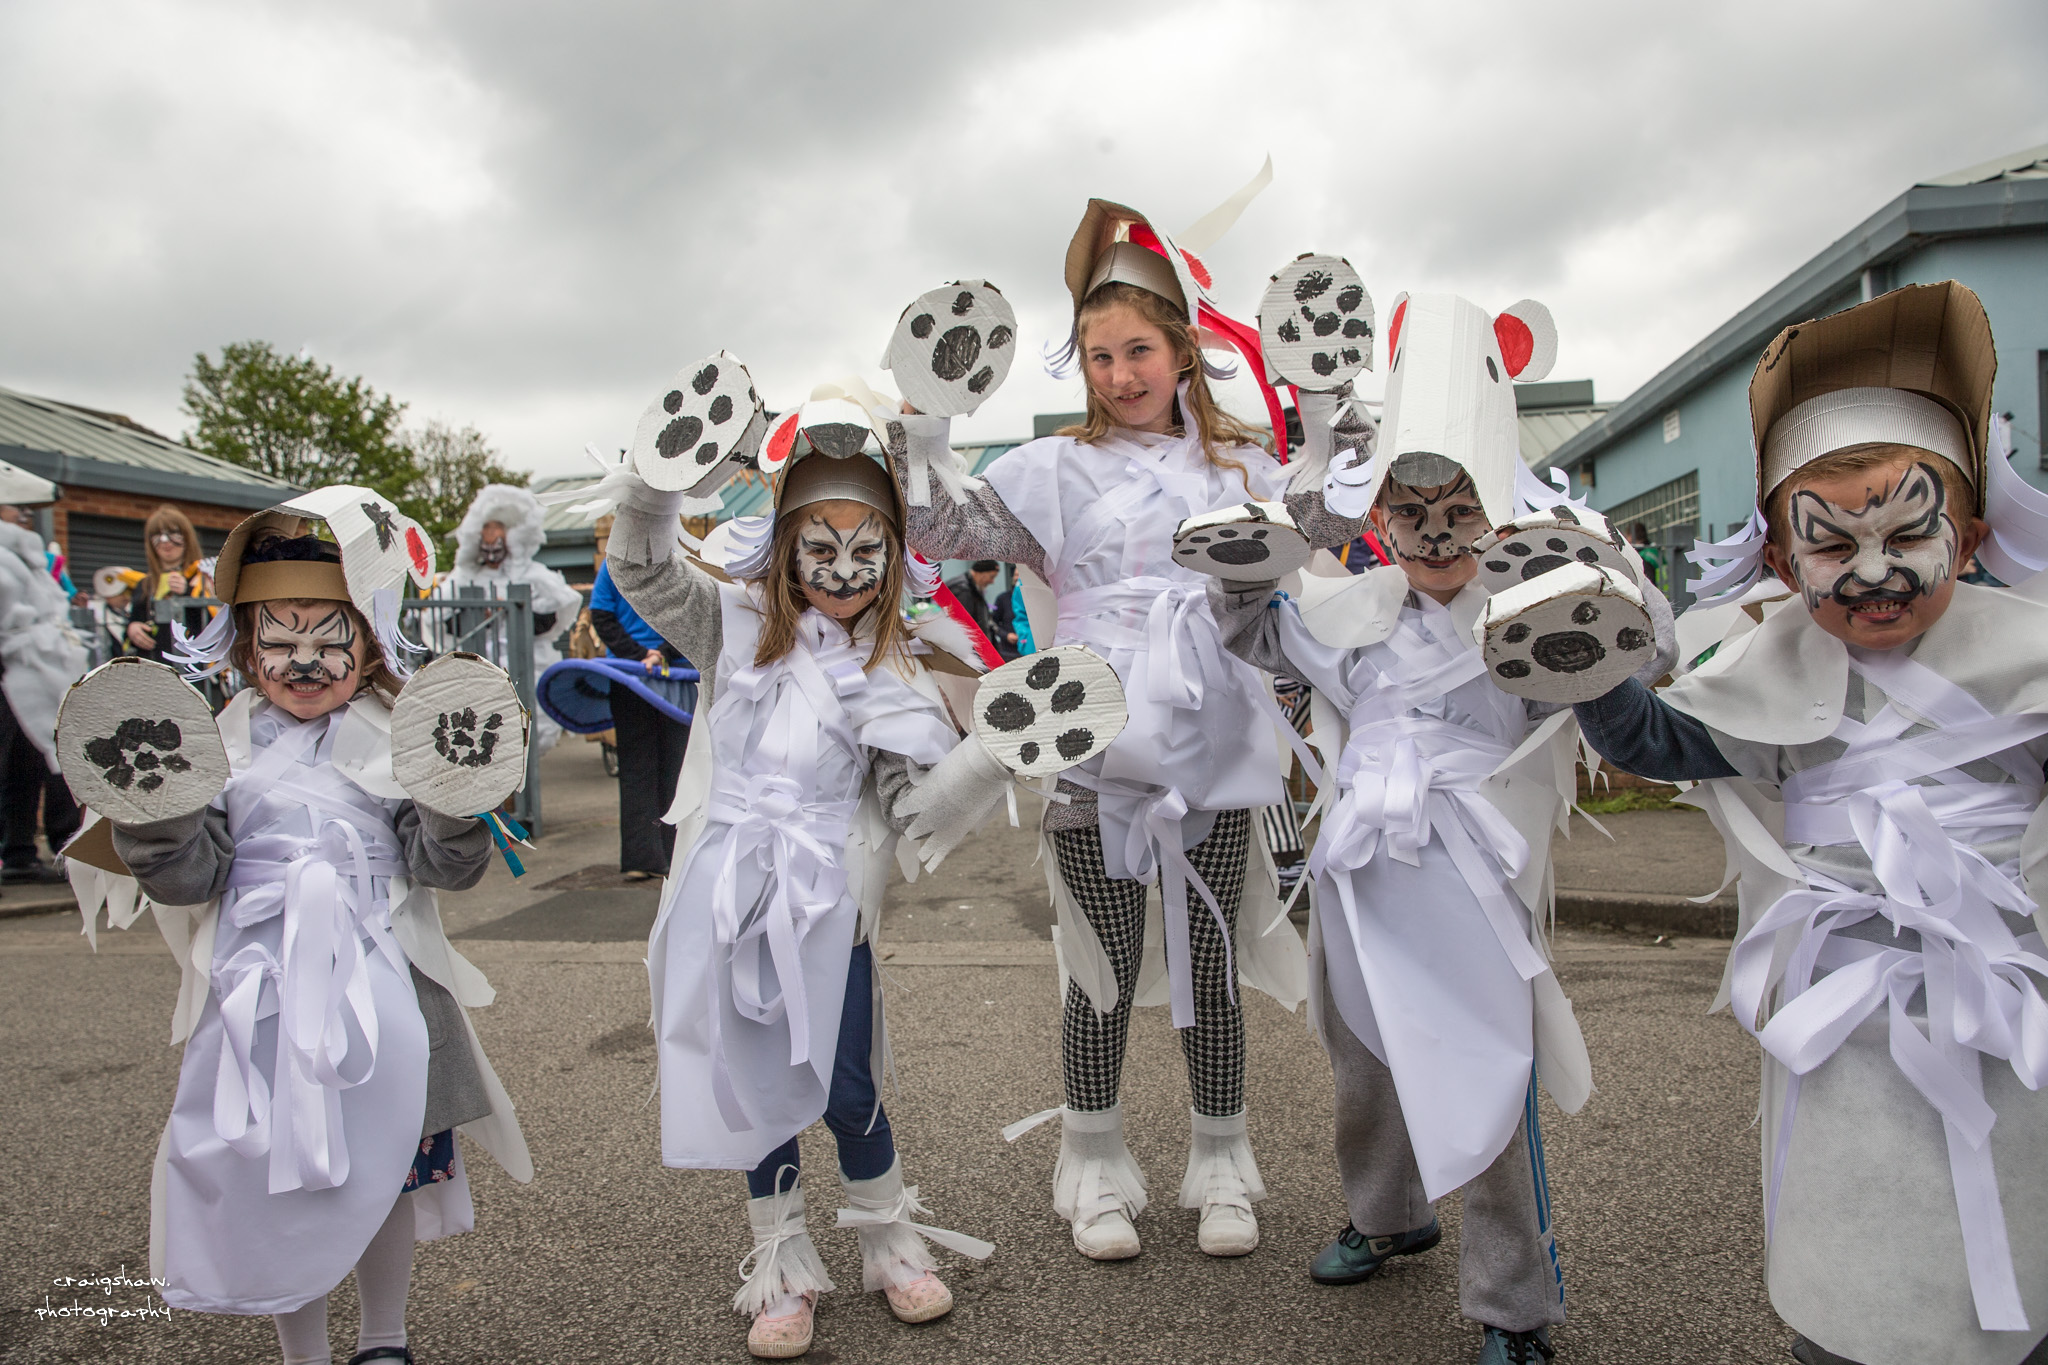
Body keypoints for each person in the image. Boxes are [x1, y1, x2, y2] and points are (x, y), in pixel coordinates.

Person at [1572, 282, 2048, 1365]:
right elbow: (1656, 740)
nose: (1873, 572)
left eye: (1906, 531)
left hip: (2015, 1004)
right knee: (1851, 1265)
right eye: (1831, 546)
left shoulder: (2031, 651)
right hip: (1840, 1023)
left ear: (1967, 535)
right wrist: (1585, 656)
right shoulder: (1770, 666)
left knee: (2019, 1249)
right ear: (1782, 564)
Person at [886, 194, 1362, 1261]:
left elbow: (1324, 528)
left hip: (1212, 725)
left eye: (1137, 350)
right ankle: (1093, 1159)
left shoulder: (1239, 465)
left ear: (1183, 350)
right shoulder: (1051, 470)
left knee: (1209, 953)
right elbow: (937, 529)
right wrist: (923, 423)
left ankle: (1220, 1153)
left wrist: (1329, 420)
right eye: (1097, 357)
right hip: (1084, 721)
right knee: (1096, 960)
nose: (1118, 376)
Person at [1210, 291, 1668, 1365]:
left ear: (1491, 507)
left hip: (1468, 866)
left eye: (1455, 507)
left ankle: (1513, 1302)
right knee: (1361, 1055)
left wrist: (1598, 571)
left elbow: (1638, 663)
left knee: (1482, 1070)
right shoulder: (1354, 612)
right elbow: (1259, 634)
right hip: (1355, 867)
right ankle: (1387, 1213)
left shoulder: (1533, 612)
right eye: (1407, 513)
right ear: (1380, 521)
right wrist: (1254, 553)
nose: (1430, 533)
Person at [99, 487, 531, 1365]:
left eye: (326, 641)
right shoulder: (210, 746)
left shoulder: (398, 737)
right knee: (275, 1177)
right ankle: (301, 1351)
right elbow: (189, 878)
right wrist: (149, 809)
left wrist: (458, 794)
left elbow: (447, 867)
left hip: (388, 990)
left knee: (383, 1178)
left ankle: (384, 1341)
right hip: (258, 1000)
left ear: (368, 640)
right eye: (279, 641)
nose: (303, 662)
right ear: (243, 645)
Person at [604, 397, 993, 1359]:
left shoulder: (894, 662)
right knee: (751, 1077)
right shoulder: (727, 621)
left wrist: (997, 754)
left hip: (831, 900)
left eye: (868, 550)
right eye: (821, 546)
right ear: (784, 545)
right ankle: (779, 1259)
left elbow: (915, 805)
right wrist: (652, 478)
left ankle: (887, 1240)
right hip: (729, 887)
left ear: (896, 554)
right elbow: (643, 568)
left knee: (849, 1074)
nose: (845, 571)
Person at [441, 485, 585, 753]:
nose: (492, 536)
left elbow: (552, 617)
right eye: (487, 528)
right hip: (479, 666)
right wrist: (475, 615)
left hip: (525, 663)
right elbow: (442, 618)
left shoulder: (533, 575)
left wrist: (515, 612)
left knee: (526, 732)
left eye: (499, 529)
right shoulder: (463, 577)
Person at [0, 501, 88, 883]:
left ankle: (21, 852)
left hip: (28, 669)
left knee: (29, 761)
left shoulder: (28, 552)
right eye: (13, 509)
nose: (21, 515)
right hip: (11, 663)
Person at [588, 559, 691, 880]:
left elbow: (602, 617)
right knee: (676, 765)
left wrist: (638, 655)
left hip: (629, 674)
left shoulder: (612, 565)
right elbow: (688, 614)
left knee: (636, 765)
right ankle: (676, 856)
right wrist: (658, 653)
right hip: (671, 674)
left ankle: (641, 859)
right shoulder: (675, 562)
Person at [124, 505, 213, 663]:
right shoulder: (144, 585)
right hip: (153, 668)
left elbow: (214, 624)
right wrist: (132, 629)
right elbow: (134, 620)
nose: (165, 541)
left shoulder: (203, 578)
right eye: (157, 535)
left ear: (186, 537)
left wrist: (187, 593)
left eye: (173, 533)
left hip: (193, 669)